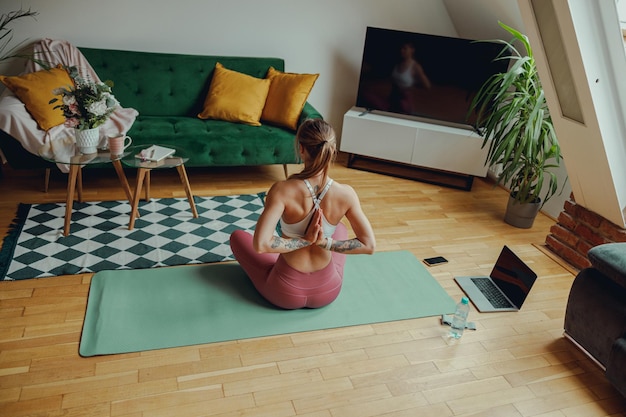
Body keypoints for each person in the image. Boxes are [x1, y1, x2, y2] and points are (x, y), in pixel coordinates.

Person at [229, 119, 376, 309]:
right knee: (338, 227)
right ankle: (327, 250)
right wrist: (325, 243)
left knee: (237, 237)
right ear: (332, 149)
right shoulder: (346, 193)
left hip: (285, 292)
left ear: (302, 149)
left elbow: (261, 244)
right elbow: (369, 245)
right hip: (329, 290)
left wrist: (305, 241)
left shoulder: (282, 190)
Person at [389, 41, 432, 114]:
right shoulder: (398, 63)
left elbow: (427, 85)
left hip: (404, 103)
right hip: (392, 100)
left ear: (412, 50)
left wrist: (411, 87)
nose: (402, 50)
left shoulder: (415, 66)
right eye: (401, 48)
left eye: (405, 48)